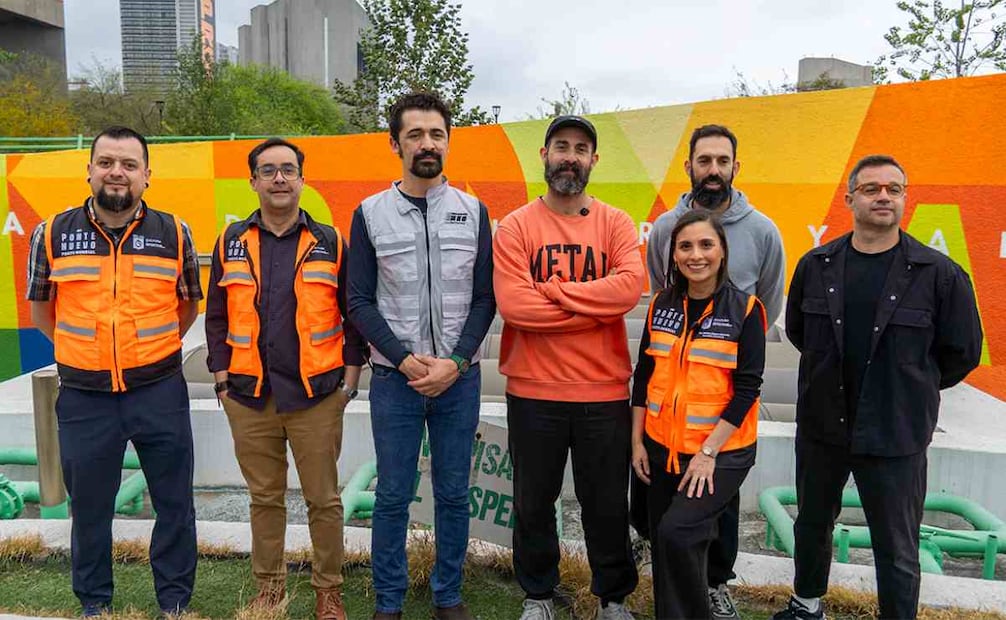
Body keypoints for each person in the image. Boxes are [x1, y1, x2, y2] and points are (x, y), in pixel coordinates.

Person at [773, 154, 983, 620]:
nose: (883, 196)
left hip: (895, 435)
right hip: (823, 429)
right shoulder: (817, 265)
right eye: (871, 188)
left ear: (906, 198)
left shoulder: (940, 275)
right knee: (811, 526)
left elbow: (960, 354)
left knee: (897, 543)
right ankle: (806, 606)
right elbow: (802, 335)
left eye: (894, 188)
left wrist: (908, 390)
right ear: (850, 199)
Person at [26, 126, 201, 617]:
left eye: (128, 164)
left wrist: (148, 351)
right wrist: (83, 354)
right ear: (89, 171)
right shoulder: (52, 232)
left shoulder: (175, 232)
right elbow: (43, 309)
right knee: (90, 509)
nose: (116, 172)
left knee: (174, 504)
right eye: (106, 162)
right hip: (84, 396)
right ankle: (95, 603)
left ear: (148, 175)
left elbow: (186, 305)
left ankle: (174, 601)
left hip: (159, 391)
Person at [347, 91, 495, 620]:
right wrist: (405, 360)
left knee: (454, 494)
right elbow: (358, 300)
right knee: (391, 495)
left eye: (436, 134)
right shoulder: (369, 214)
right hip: (395, 381)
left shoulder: (474, 212)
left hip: (460, 379)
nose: (427, 143)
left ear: (448, 142)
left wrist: (454, 363)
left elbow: (485, 298)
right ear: (395, 143)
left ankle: (447, 595)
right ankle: (389, 600)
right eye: (415, 134)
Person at [204, 138, 364, 620]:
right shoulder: (230, 241)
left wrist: (348, 383)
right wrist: (220, 380)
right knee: (264, 499)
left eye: (287, 170)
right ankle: (269, 590)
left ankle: (327, 591)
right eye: (268, 170)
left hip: (316, 395)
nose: (278, 178)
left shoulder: (330, 241)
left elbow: (352, 315)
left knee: (324, 499)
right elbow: (215, 316)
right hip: (249, 396)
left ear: (301, 179)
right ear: (252, 180)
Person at [493, 115, 644, 620]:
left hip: (603, 392)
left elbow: (626, 290)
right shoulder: (516, 226)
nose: (571, 157)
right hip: (534, 391)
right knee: (533, 502)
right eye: (562, 146)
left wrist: (553, 293)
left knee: (605, 504)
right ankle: (538, 595)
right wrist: (590, 308)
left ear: (594, 161)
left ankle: (613, 599)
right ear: (544, 154)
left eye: (581, 149)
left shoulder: (616, 223)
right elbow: (516, 307)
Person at [642, 124, 785, 619]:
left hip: (721, 426)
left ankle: (716, 584)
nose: (713, 171)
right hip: (666, 430)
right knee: (669, 528)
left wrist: (731, 332)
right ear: (689, 167)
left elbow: (765, 302)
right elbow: (651, 357)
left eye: (722, 162)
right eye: (704, 161)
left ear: (735, 168)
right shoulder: (663, 235)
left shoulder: (763, 233)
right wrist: (638, 438)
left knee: (704, 519)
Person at [632, 209, 766, 619]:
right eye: (685, 246)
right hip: (659, 446)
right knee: (664, 539)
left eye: (706, 245)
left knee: (675, 534)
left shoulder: (745, 309)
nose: (696, 255)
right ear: (673, 256)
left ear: (722, 252)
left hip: (720, 453)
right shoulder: (660, 305)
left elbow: (747, 390)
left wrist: (708, 453)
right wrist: (636, 442)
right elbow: (644, 377)